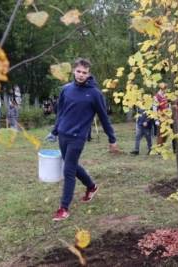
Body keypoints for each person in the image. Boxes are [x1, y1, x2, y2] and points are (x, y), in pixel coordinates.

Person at [46, 58, 119, 221]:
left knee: (69, 170)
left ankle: (64, 208)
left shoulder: (95, 94)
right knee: (71, 164)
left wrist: (112, 138)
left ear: (89, 74)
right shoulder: (66, 89)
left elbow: (104, 118)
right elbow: (61, 112)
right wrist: (54, 131)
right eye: (78, 71)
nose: (80, 75)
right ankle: (91, 186)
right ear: (74, 71)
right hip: (63, 134)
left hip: (78, 137)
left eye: (84, 73)